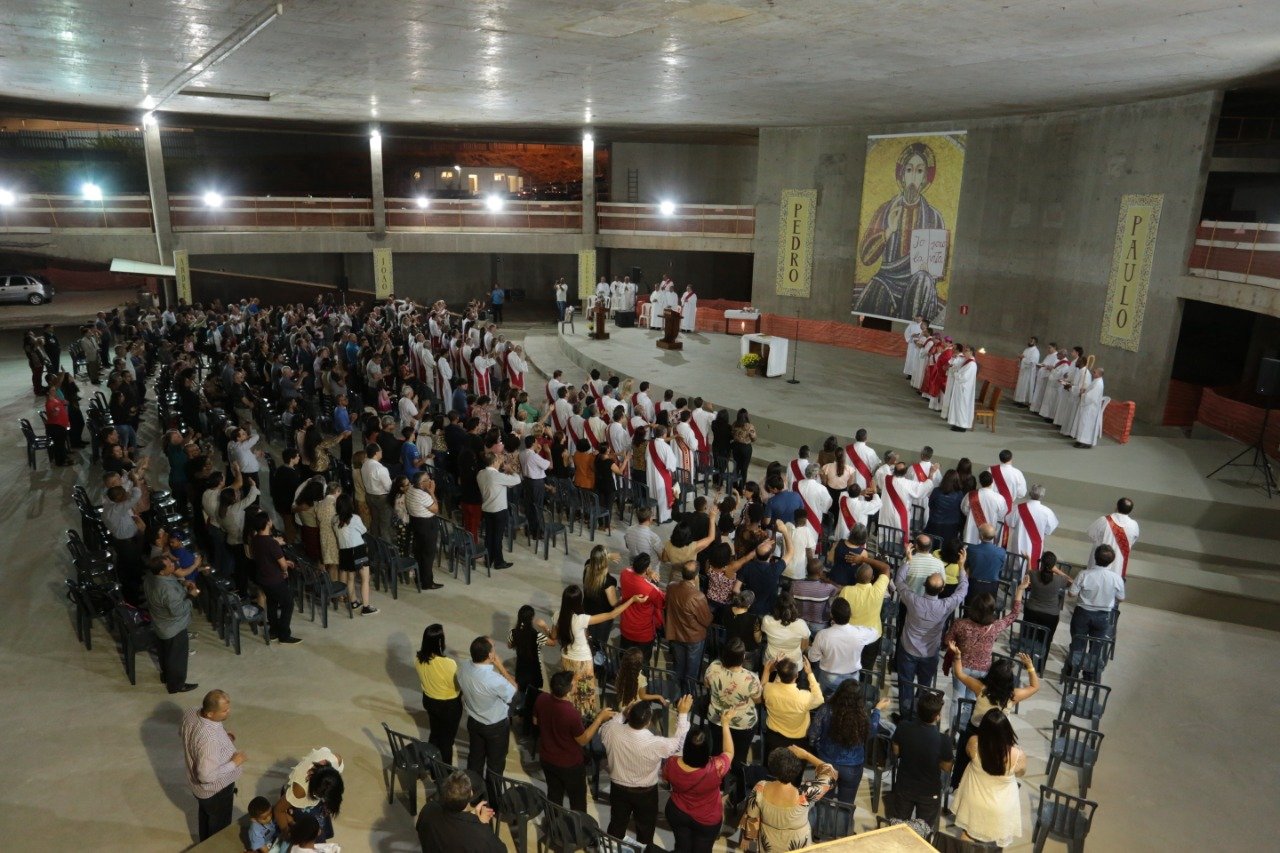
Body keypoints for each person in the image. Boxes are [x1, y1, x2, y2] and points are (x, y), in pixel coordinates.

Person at [852, 140, 947, 322]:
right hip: (887, 277)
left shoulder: (935, 217)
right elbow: (865, 257)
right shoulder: (886, 209)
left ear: (926, 178)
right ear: (902, 175)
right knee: (877, 291)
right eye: (909, 170)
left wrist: (931, 269)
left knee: (923, 280)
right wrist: (889, 230)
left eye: (919, 171)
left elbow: (938, 267)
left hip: (917, 280)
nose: (913, 178)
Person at [600, 694, 695, 850]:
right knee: (645, 830)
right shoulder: (655, 743)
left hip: (618, 789)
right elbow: (680, 744)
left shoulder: (611, 730)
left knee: (617, 824)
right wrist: (683, 714)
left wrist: (623, 713)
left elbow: (606, 727)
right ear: (648, 722)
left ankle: (612, 849)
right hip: (645, 794)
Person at [542, 584, 644, 717]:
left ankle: (569, 713)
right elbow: (611, 614)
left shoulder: (557, 615)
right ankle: (586, 719)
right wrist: (632, 600)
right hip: (582, 661)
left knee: (571, 688)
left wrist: (545, 628)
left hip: (566, 657)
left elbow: (553, 637)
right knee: (585, 692)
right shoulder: (580, 619)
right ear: (579, 601)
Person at [946, 650, 1039, 788]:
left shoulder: (981, 688)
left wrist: (958, 656)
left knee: (962, 761)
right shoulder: (1012, 696)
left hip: (975, 731)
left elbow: (959, 673)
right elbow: (1035, 686)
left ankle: (956, 785)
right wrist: (1030, 666)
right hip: (997, 736)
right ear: (1009, 680)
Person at [894, 543, 968, 715]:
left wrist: (908, 561)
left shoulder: (913, 600)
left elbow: (899, 581)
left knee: (905, 684)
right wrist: (962, 566)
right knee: (925, 686)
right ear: (942, 589)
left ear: (925, 586)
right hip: (929, 652)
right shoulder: (945, 605)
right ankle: (921, 714)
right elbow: (962, 590)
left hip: (908, 649)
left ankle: (906, 717)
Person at [945, 575, 1028, 726]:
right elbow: (1014, 614)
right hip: (983, 670)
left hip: (962, 666)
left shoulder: (961, 624)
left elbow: (947, 640)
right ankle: (965, 729)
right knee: (972, 700)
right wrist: (1020, 590)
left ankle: (952, 732)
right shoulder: (995, 626)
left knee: (957, 698)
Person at [534, 671, 616, 811]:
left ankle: (554, 826)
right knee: (577, 801)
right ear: (569, 689)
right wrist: (599, 719)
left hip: (547, 758)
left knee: (554, 795)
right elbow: (583, 740)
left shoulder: (541, 698)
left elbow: (535, 721)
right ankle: (578, 830)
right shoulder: (570, 713)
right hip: (569, 764)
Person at [739, 746, 836, 852]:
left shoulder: (760, 788)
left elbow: (752, 816)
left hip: (769, 841)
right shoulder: (805, 794)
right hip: (797, 843)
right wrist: (806, 755)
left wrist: (747, 838)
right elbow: (831, 773)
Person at [952, 710, 1026, 848]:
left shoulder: (973, 743)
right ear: (1007, 730)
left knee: (967, 836)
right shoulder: (1017, 755)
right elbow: (1021, 773)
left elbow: (968, 754)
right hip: (1000, 807)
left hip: (974, 800)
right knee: (995, 843)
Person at [809, 680, 890, 804]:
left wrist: (819, 749)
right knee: (846, 803)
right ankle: (844, 822)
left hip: (827, 761)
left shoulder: (826, 709)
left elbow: (813, 735)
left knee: (824, 801)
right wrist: (877, 710)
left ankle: (822, 822)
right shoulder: (861, 714)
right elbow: (871, 731)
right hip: (852, 766)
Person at [180, 689, 246, 841]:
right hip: (216, 791)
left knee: (205, 816)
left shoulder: (190, 713)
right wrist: (234, 763)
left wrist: (223, 737)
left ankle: (204, 844)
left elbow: (185, 735)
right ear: (210, 714)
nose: (228, 712)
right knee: (219, 829)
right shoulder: (208, 738)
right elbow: (206, 776)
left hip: (200, 791)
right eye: (224, 711)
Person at [663, 716, 732, 853]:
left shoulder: (671, 763)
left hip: (677, 811)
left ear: (687, 748)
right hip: (707, 818)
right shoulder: (717, 767)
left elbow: (666, 779)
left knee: (682, 847)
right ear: (708, 748)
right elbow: (729, 751)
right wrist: (725, 724)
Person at [457, 635, 518, 788]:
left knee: (475, 760)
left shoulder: (464, 667)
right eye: (494, 649)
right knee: (495, 766)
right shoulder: (493, 679)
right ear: (490, 655)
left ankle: (474, 796)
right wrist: (500, 666)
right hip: (495, 727)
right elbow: (514, 690)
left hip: (474, 722)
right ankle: (494, 802)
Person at [887, 691, 953, 827]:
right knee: (924, 830)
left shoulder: (903, 727)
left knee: (898, 827)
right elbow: (947, 767)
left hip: (904, 787)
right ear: (937, 716)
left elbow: (896, 750)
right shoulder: (944, 740)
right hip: (929, 792)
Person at [1065, 545, 1126, 678]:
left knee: (1077, 644)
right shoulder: (1116, 578)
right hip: (1102, 616)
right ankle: (1089, 676)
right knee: (1096, 647)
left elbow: (1071, 594)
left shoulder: (1084, 574)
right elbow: (1121, 598)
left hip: (1082, 613)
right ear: (1112, 560)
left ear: (1095, 557)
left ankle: (1073, 672)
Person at [143, 555, 199, 694]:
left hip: (160, 624)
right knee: (177, 658)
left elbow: (170, 590)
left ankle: (166, 676)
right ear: (162, 571)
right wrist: (191, 595)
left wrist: (182, 585)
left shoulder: (150, 577)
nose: (173, 566)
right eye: (170, 565)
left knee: (164, 653)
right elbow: (178, 610)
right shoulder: (166, 589)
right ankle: (176, 685)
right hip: (174, 628)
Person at [703, 637, 762, 767]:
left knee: (718, 750)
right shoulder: (751, 678)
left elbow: (707, 685)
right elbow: (758, 699)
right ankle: (736, 779)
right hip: (742, 722)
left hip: (717, 717)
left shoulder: (713, 667)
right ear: (743, 657)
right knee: (739, 756)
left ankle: (716, 776)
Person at [415, 770, 505, 853]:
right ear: (471, 794)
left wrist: (473, 819)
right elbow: (501, 850)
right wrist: (482, 825)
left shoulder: (428, 809)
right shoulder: (481, 836)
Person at [761, 656, 824, 772]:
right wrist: (810, 673)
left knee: (771, 771)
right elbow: (819, 699)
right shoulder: (804, 697)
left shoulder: (769, 690)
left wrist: (767, 670)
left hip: (773, 737)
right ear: (796, 676)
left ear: (779, 674)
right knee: (793, 774)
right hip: (797, 742)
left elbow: (764, 685)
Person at [249, 513, 302, 645]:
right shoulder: (272, 543)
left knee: (272, 603)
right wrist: (285, 570)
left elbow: (263, 557)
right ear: (267, 523)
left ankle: (273, 631)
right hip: (274, 579)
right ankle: (284, 635)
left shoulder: (255, 539)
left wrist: (283, 562)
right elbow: (283, 565)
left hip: (262, 578)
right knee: (288, 603)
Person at [808, 598, 879, 691]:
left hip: (829, 677)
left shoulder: (822, 635)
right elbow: (875, 632)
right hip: (852, 678)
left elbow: (813, 657)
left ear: (831, 615)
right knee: (848, 704)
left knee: (827, 702)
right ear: (850, 614)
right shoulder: (860, 633)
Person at [415, 624, 462, 764]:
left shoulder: (418, 660)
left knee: (435, 733)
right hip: (449, 706)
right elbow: (457, 686)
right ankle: (445, 774)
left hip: (429, 701)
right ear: (440, 642)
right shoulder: (449, 664)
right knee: (446, 742)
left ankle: (431, 764)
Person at [666, 560, 714, 691]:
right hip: (693, 638)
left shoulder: (671, 587)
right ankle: (687, 697)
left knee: (678, 666)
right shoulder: (697, 596)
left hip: (675, 634)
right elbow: (706, 619)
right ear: (696, 575)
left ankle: (676, 694)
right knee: (691, 671)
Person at [333, 494, 376, 615]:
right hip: (358, 551)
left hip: (344, 552)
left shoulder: (334, 520)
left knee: (350, 578)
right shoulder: (355, 518)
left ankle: (353, 602)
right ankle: (366, 607)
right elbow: (363, 530)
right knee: (365, 579)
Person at [477, 451, 521, 569]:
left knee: (489, 536)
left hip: (487, 509)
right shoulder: (496, 476)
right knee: (497, 537)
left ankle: (489, 559)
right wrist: (510, 470)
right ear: (495, 461)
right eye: (498, 459)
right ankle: (499, 562)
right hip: (499, 510)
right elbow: (517, 479)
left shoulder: (480, 473)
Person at [618, 553, 665, 663]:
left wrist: (647, 573)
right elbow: (662, 602)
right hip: (643, 633)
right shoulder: (650, 589)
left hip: (626, 627)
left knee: (624, 661)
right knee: (642, 664)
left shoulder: (624, 573)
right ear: (647, 568)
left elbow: (631, 571)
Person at [1023, 551, 1074, 651]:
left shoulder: (1033, 574)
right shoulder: (1059, 579)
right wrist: (1056, 570)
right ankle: (1041, 663)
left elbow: (1028, 573)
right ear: (1053, 565)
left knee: (1028, 637)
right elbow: (1072, 582)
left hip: (1032, 611)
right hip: (1051, 615)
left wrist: (1028, 560)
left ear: (1041, 562)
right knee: (1045, 641)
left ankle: (1026, 659)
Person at [1005, 484, 1058, 574]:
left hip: (1018, 544)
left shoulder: (1018, 508)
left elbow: (1010, 522)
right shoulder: (1047, 512)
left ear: (1030, 493)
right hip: (1036, 545)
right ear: (1042, 496)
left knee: (1016, 569)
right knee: (1032, 571)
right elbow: (1049, 530)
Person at [406, 471, 443, 590]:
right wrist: (432, 492)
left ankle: (419, 578)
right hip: (427, 526)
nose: (431, 481)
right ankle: (427, 583)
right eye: (427, 479)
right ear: (421, 484)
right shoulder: (423, 496)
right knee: (428, 555)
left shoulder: (411, 489)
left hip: (416, 523)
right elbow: (436, 509)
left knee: (419, 553)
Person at [1087, 497, 1139, 578]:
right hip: (1118, 567)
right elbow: (1132, 542)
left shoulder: (1103, 520)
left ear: (1116, 506)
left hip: (1098, 564)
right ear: (1130, 510)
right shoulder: (1134, 525)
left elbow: (1091, 534)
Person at [790, 556, 839, 634]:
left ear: (807, 571)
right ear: (820, 572)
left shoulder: (795, 585)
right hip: (819, 625)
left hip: (800, 623)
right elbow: (838, 589)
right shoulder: (827, 587)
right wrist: (825, 579)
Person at [761, 591, 811, 664]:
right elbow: (804, 646)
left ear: (775, 607)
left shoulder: (767, 620)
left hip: (772, 661)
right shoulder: (801, 624)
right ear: (794, 608)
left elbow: (763, 631)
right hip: (793, 663)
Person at [965, 522, 1007, 603]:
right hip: (992, 586)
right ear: (994, 536)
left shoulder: (971, 549)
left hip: (974, 585)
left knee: (969, 610)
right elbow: (1001, 567)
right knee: (988, 611)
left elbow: (966, 566)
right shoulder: (1001, 552)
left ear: (980, 536)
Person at [360, 443, 394, 540]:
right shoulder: (380, 468)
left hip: (369, 496)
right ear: (377, 453)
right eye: (381, 451)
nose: (382, 452)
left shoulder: (365, 464)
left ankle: (374, 545)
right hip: (381, 498)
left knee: (375, 521)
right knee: (385, 525)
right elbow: (388, 487)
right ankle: (388, 550)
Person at [1073, 367, 1107, 448]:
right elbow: (1090, 391)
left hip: (1090, 407)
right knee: (1083, 423)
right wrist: (1085, 390)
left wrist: (1083, 394)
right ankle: (1080, 440)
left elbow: (1091, 397)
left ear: (1099, 374)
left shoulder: (1099, 383)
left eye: (1094, 372)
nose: (1092, 373)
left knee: (1086, 424)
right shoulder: (1096, 381)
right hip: (1088, 406)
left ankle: (1085, 442)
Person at [1014, 337, 1041, 405]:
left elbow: (1032, 362)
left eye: (1031, 341)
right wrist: (1021, 358)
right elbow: (1023, 357)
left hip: (1029, 372)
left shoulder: (1035, 351)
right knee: (1021, 385)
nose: (1030, 342)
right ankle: (1018, 400)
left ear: (1035, 342)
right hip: (1023, 371)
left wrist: (1022, 359)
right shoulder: (1026, 349)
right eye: (1030, 340)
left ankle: (1024, 402)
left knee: (1026, 386)